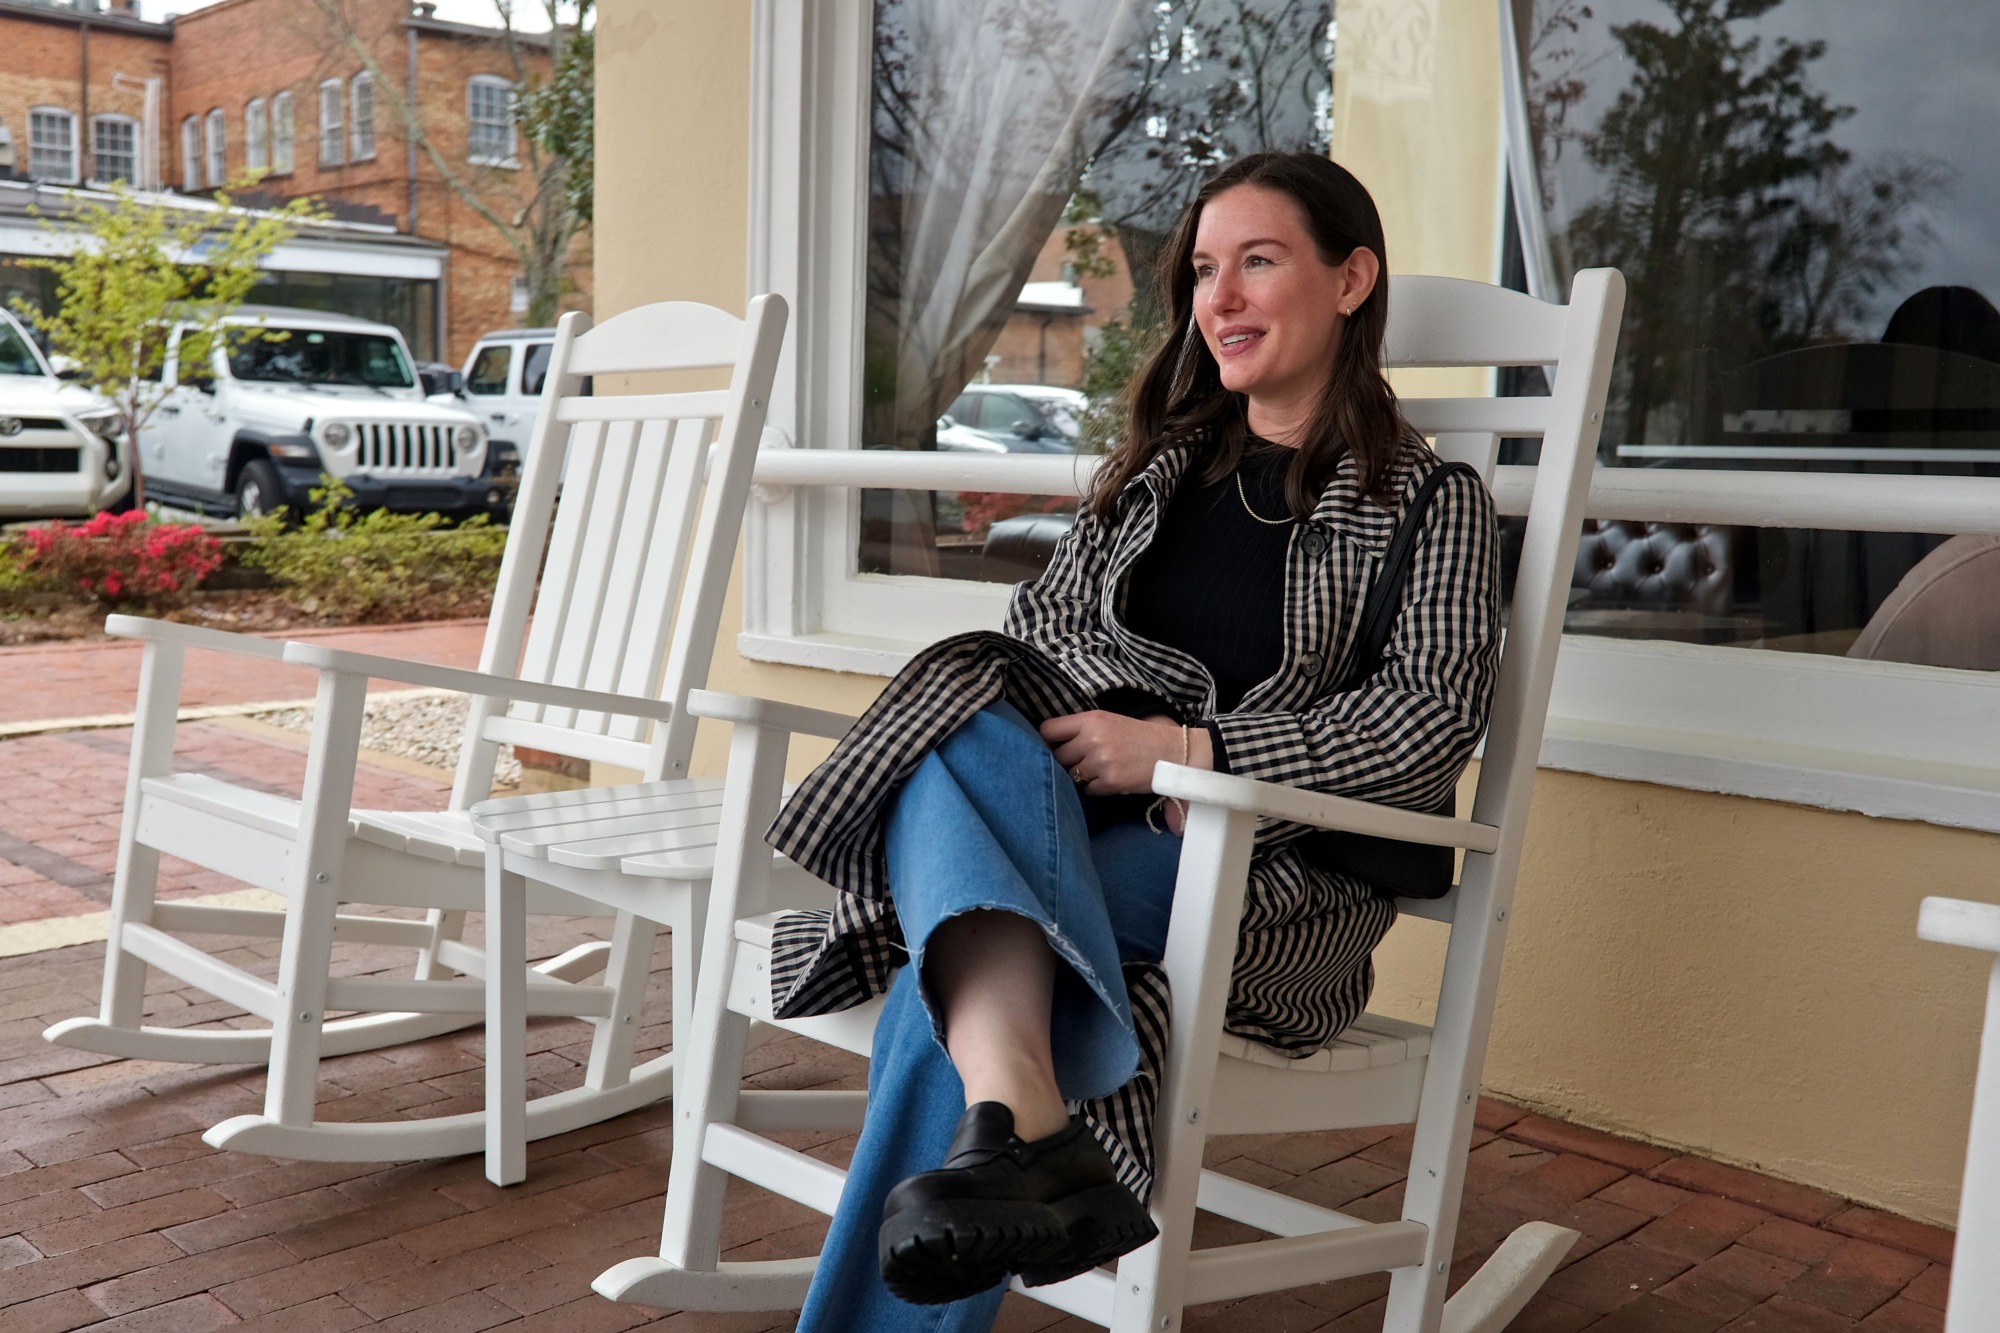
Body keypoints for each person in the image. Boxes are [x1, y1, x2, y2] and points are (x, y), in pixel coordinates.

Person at [764, 150, 1502, 1331]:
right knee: (962, 692)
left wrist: (1190, 750)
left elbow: (1424, 723)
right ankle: (1026, 1125)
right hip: (1067, 805)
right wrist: (1108, 738)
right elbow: (1039, 628)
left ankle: (1013, 1123)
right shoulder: (1161, 467)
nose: (1219, 299)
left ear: (1351, 278)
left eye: (1258, 262)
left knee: (947, 969)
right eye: (1206, 270)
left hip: (1260, 869)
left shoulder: (1429, 502)